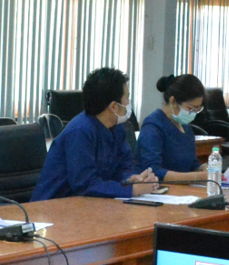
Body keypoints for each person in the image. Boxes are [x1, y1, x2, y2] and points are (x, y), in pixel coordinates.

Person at [32, 67, 164, 200]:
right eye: (127, 98)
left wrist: (132, 179)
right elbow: (85, 184)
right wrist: (131, 190)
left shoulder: (117, 128)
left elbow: (122, 168)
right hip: (56, 204)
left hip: (91, 204)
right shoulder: (80, 131)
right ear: (114, 106)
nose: (129, 103)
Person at [137, 74, 210, 183]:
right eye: (190, 108)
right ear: (173, 101)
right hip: (160, 188)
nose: (193, 113)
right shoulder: (153, 126)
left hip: (185, 189)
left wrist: (202, 168)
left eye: (197, 109)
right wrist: (198, 176)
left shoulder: (185, 126)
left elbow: (192, 164)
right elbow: (153, 171)